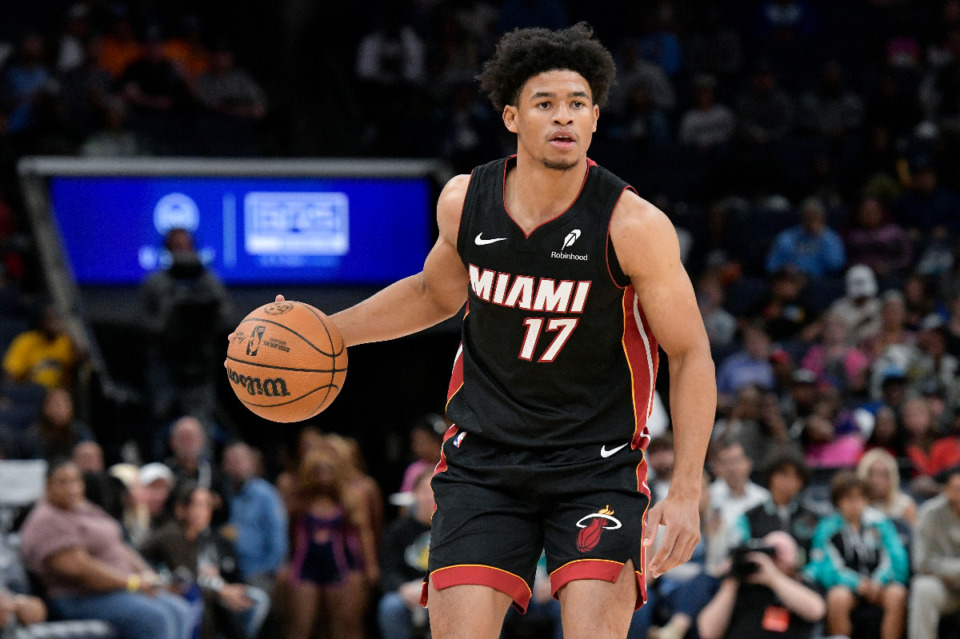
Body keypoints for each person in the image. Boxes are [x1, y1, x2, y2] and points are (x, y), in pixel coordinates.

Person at [249, 23, 716, 638]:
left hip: (595, 463)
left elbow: (688, 354)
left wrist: (686, 490)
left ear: (596, 119)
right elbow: (432, 294)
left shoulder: (632, 225)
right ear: (511, 117)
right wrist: (329, 333)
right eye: (545, 104)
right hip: (484, 462)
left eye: (578, 105)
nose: (563, 118)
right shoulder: (466, 201)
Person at [18, 459, 194, 639]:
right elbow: (80, 570)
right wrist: (132, 582)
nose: (72, 488)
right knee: (156, 617)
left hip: (118, 589)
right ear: (48, 485)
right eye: (63, 482)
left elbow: (117, 545)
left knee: (180, 609)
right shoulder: (47, 519)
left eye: (76, 481)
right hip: (78, 597)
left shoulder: (84, 508)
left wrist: (148, 577)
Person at [140, 482, 270, 639]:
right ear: (181, 509)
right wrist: (222, 592)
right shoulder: (172, 536)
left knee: (255, 600)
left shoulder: (195, 536)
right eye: (198, 505)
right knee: (207, 603)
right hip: (150, 593)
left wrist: (223, 589)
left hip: (181, 591)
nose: (204, 512)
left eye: (208, 506)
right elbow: (187, 580)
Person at [804, 472, 908, 639]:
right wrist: (856, 583)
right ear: (839, 501)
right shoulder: (827, 528)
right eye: (849, 498)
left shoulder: (881, 523)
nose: (855, 504)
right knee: (837, 598)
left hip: (879, 586)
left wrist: (879, 581)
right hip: (847, 588)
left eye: (860, 497)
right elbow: (823, 566)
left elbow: (898, 559)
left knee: (897, 594)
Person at [696, 531, 825, 639]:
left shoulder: (801, 582)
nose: (772, 562)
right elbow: (707, 632)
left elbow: (816, 610)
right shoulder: (743, 585)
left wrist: (774, 578)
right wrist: (733, 580)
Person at [220, 441, 287, 594]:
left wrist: (270, 569)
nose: (236, 465)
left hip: (258, 571)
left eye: (240, 460)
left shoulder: (265, 494)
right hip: (230, 569)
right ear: (224, 465)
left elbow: (278, 535)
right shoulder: (225, 494)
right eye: (231, 460)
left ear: (251, 463)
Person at [377, 469, 434, 639]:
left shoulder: (457, 531)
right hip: (408, 592)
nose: (432, 497)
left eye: (438, 491)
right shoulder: (396, 531)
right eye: (426, 491)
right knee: (390, 606)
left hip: (445, 592)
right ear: (415, 494)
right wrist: (403, 588)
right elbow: (388, 570)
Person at [909, 468, 960, 639]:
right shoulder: (930, 513)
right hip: (944, 586)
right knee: (923, 588)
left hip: (946, 575)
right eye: (957, 489)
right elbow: (922, 562)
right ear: (945, 490)